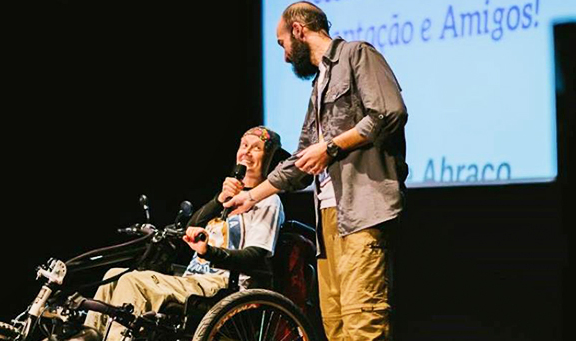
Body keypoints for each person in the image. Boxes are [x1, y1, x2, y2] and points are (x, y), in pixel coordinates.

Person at [224, 2, 408, 340]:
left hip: (362, 211)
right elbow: (300, 162)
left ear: (297, 30)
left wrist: (332, 147)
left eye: (282, 43)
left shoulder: (357, 55)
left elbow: (388, 113)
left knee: (362, 322)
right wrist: (251, 197)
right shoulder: (319, 85)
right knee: (335, 325)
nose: (283, 56)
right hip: (328, 219)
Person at [72, 126, 286, 341]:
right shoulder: (227, 196)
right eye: (244, 146)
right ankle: (89, 336)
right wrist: (218, 200)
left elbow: (256, 254)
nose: (247, 153)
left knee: (132, 282)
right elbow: (192, 225)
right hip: (194, 278)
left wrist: (210, 253)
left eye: (256, 148)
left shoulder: (269, 201)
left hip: (223, 284)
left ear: (269, 158)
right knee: (112, 276)